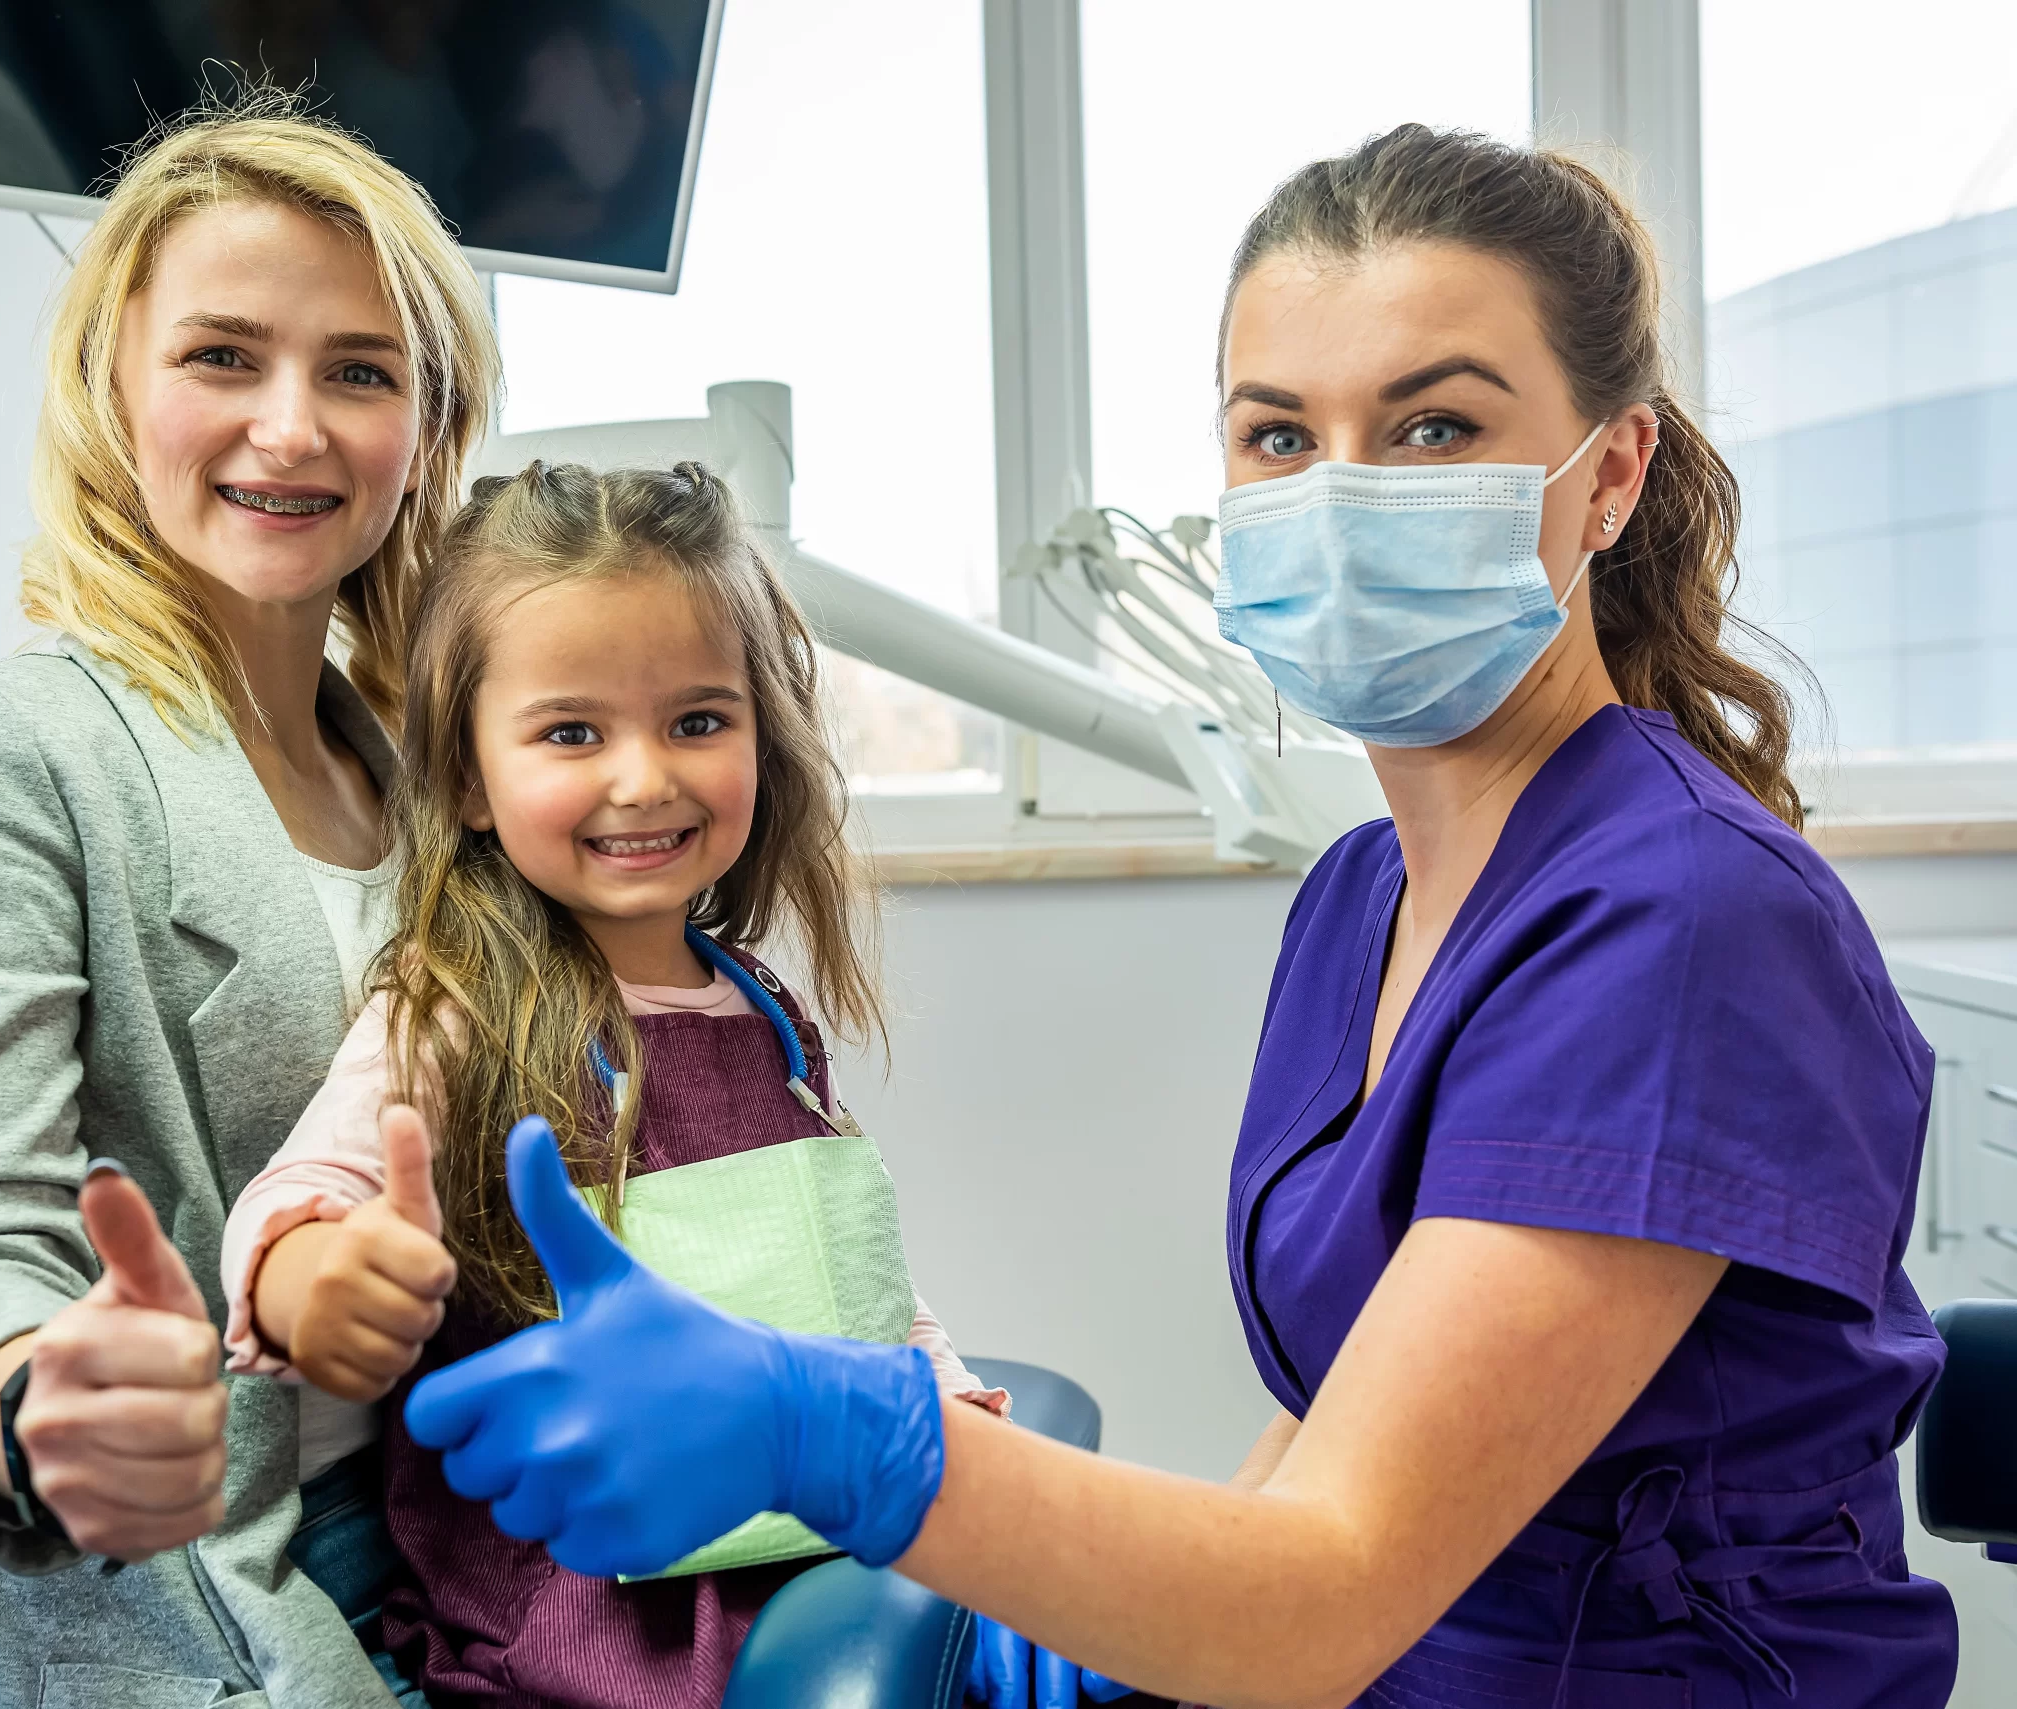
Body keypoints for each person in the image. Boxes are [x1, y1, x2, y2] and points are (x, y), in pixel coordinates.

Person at [388, 126, 1960, 1708]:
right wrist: (1123, 1614)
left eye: (1432, 427)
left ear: (1608, 474)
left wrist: (842, 1439)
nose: (1339, 493)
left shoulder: (1680, 928)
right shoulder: (1364, 894)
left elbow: (1327, 1595)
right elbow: (1347, 1428)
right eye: (1279, 437)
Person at [0, 96, 497, 1706]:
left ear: (425, 430)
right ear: (110, 391)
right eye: (222, 357)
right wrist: (30, 1401)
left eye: (360, 370)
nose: (293, 427)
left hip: (456, 1553)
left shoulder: (420, 767)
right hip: (197, 1606)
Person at [216, 461, 1010, 1707]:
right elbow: (302, 1187)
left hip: (811, 1573)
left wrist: (964, 1433)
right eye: (572, 732)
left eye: (698, 720)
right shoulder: (457, 1006)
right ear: (471, 778)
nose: (644, 778)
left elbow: (857, 1285)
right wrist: (318, 1275)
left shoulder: (764, 1010)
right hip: (578, 1644)